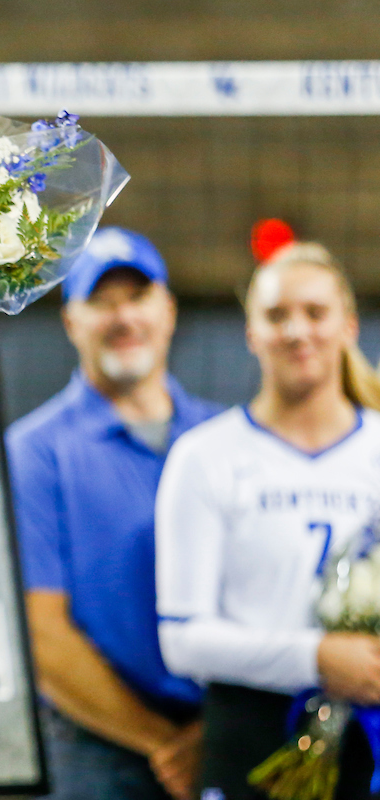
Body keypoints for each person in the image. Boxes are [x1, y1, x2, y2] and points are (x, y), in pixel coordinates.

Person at [156, 242, 380, 800]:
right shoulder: (205, 456)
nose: (297, 331)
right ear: (251, 333)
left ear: (349, 326)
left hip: (370, 740)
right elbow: (182, 640)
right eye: (277, 315)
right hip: (249, 743)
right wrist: (316, 658)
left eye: (316, 312)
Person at [5, 227, 221, 800]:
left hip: (224, 731)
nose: (122, 317)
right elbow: (43, 636)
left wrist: (215, 733)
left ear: (168, 310)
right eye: (101, 301)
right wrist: (164, 744)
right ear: (71, 321)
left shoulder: (225, 440)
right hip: (97, 748)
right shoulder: (36, 452)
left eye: (138, 297)